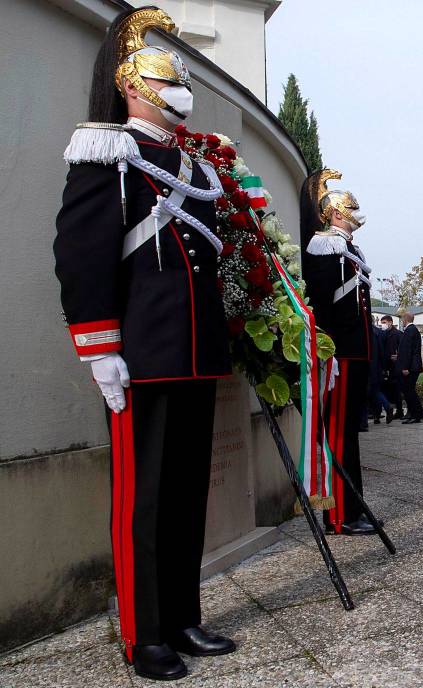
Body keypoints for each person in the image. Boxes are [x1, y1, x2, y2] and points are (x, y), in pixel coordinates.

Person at [53, 7, 235, 680]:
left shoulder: (189, 162)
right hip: (143, 359)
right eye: (166, 75)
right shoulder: (108, 153)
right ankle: (144, 633)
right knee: (147, 498)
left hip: (191, 355)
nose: (180, 87)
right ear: (133, 85)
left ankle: (183, 618)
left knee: (188, 494)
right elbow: (81, 258)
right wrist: (100, 348)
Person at [299, 168, 376, 536]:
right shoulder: (324, 245)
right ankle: (339, 514)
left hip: (356, 352)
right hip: (340, 355)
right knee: (338, 435)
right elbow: (324, 308)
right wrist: (327, 354)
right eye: (348, 209)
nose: (353, 215)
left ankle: (354, 505)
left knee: (349, 433)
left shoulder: (349, 248)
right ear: (333, 213)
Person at [398, 312, 423, 423]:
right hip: (413, 366)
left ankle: (417, 413)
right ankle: (414, 413)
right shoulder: (413, 330)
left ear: (405, 319)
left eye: (402, 319)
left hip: (411, 367)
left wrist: (405, 367)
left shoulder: (409, 331)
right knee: (409, 390)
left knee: (409, 391)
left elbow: (407, 350)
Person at [380, 314, 404, 419]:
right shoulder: (383, 334)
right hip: (387, 365)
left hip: (395, 366)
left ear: (390, 322)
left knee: (397, 389)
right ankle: (395, 409)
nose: (383, 325)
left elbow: (403, 349)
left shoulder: (398, 334)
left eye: (384, 323)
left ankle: (399, 410)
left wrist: (399, 356)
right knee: (390, 389)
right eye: (382, 323)